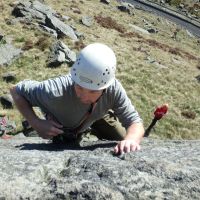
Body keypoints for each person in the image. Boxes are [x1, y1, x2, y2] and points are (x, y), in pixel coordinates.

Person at [10, 43, 144, 154]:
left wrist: (131, 139)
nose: (84, 96)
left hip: (99, 114)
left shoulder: (113, 89)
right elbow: (16, 90)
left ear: (105, 87)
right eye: (79, 87)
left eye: (92, 91)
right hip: (71, 124)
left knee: (122, 139)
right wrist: (36, 123)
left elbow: (135, 122)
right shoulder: (55, 90)